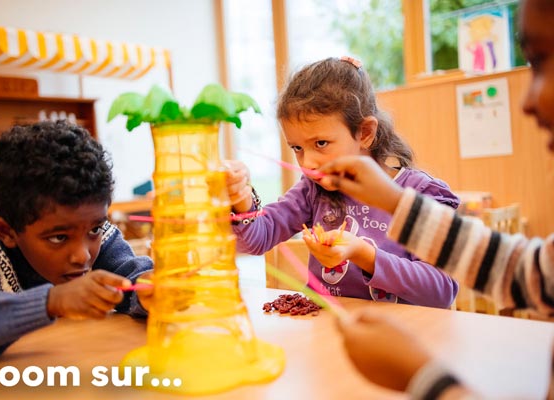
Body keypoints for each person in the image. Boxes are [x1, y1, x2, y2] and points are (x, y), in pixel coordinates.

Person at [313, 0, 554, 398]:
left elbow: (447, 287)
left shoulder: (426, 188)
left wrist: (421, 376)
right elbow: (516, 269)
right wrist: (392, 199)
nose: (526, 101)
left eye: (542, 62)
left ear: (365, 133)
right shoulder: (316, 192)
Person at [225, 56, 459, 308]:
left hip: (401, 340)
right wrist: (241, 199)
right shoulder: (311, 190)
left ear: (365, 133)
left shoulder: (421, 194)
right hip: (330, 333)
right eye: (297, 148)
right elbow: (256, 239)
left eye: (321, 143)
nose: (308, 163)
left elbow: (442, 291)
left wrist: (365, 255)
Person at [0, 121, 154, 365]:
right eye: (59, 238)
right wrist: (53, 301)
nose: (82, 256)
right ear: (6, 231)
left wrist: (151, 290)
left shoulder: (96, 234)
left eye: (94, 229)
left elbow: (132, 277)